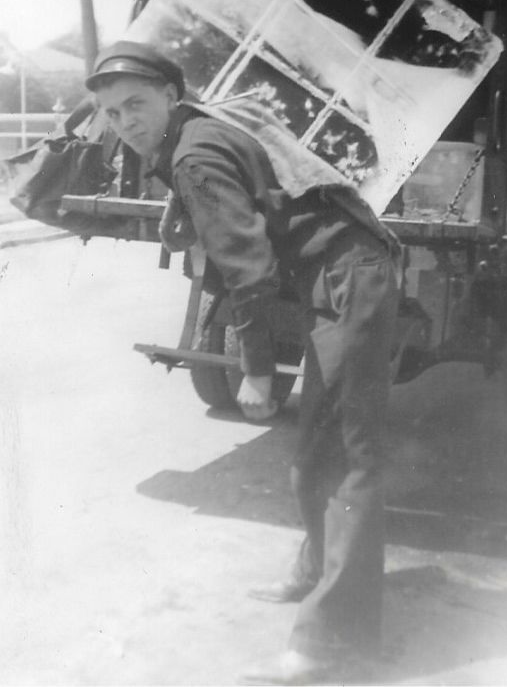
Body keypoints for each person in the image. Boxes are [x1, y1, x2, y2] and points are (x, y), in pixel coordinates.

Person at [86, 40, 401, 685]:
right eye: (113, 114)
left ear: (170, 96)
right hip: (333, 273)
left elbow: (245, 267)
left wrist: (256, 370)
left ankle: (335, 643)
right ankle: (315, 573)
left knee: (346, 454)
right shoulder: (194, 131)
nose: (125, 122)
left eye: (136, 104)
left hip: (349, 278)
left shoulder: (195, 154)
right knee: (317, 449)